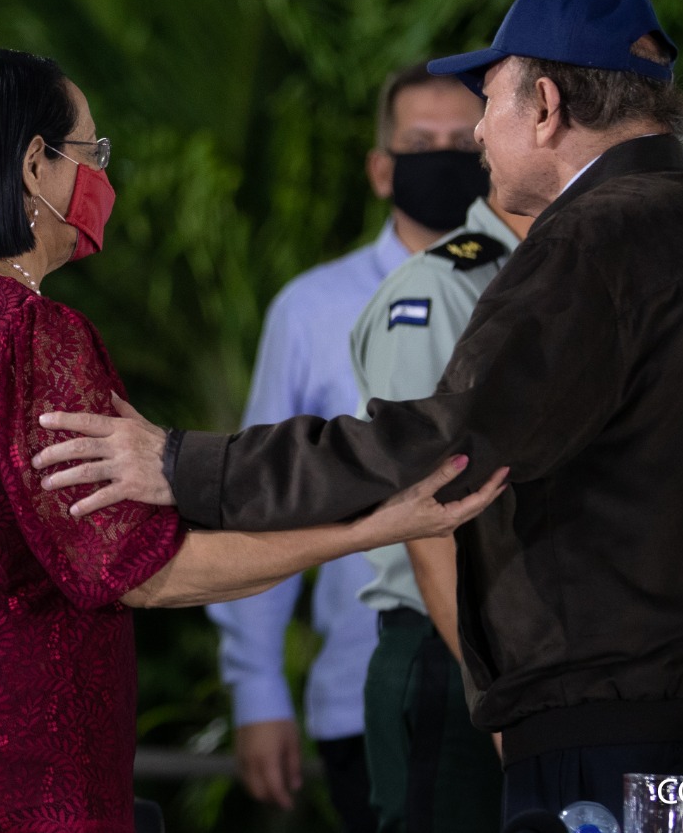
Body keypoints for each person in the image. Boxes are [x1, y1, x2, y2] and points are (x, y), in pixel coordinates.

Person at [30, 0, 683, 833]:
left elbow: (441, 447)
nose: (477, 131)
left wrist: (182, 464)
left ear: (547, 105)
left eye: (488, 101)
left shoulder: (592, 243)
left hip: (611, 730)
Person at [0, 45, 506, 833]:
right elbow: (145, 572)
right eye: (91, 151)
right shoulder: (28, 332)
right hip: (26, 769)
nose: (100, 176)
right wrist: (369, 527)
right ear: (36, 165)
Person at [206, 60, 487, 832]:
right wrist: (258, 689)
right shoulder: (312, 308)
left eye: (463, 143)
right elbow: (264, 497)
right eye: (421, 143)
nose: (443, 159)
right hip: (368, 683)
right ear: (381, 168)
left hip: (526, 680)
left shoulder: (538, 285)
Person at [353, 181, 530, 832]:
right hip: (457, 651)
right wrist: (502, 700)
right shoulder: (440, 289)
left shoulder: (560, 274)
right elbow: (426, 516)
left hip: (526, 656)